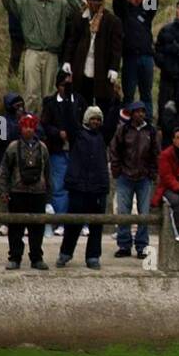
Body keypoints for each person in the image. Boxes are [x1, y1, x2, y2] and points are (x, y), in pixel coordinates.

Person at [2, 0, 67, 114]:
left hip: (52, 54)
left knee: (49, 94)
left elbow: (76, 13)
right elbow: (10, 5)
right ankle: (29, 123)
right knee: (31, 92)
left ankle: (46, 123)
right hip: (32, 51)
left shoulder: (61, 3)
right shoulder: (27, 1)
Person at [58, 105, 110, 269]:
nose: (95, 122)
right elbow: (68, 118)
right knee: (73, 223)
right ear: (87, 119)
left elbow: (113, 121)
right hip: (78, 187)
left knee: (96, 225)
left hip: (98, 188)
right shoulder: (77, 135)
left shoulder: (103, 136)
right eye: (92, 118)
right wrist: (67, 99)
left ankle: (93, 256)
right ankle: (65, 253)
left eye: (98, 119)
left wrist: (115, 101)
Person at [0, 113, 51, 270]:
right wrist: (3, 191)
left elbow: (47, 172)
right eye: (25, 126)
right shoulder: (13, 147)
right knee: (15, 228)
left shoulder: (43, 148)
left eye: (31, 126)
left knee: (37, 229)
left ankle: (36, 258)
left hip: (38, 193)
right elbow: (4, 171)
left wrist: (48, 194)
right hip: (17, 192)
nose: (28, 130)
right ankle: (14, 257)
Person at [62, 0, 122, 120]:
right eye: (91, 0)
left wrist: (114, 67)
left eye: (98, 0)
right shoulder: (80, 17)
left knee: (101, 102)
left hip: (101, 66)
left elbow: (116, 48)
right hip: (81, 66)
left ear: (102, 2)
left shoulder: (112, 21)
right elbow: (72, 40)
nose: (94, 3)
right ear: (87, 1)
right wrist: (67, 60)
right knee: (81, 100)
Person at [110, 101, 159, 259]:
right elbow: (114, 150)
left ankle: (142, 245)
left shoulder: (151, 131)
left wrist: (152, 173)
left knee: (143, 213)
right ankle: (124, 244)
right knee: (123, 212)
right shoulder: (123, 130)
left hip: (144, 178)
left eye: (142, 112)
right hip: (125, 176)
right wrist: (117, 170)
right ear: (131, 113)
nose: (140, 114)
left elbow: (156, 154)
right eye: (137, 112)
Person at [113, 0, 159, 116]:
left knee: (146, 94)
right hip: (130, 57)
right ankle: (126, 123)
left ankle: (148, 123)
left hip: (146, 57)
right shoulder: (123, 11)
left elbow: (154, 2)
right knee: (129, 95)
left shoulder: (147, 12)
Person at [40, 71, 83, 228]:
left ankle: (74, 222)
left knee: (76, 187)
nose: (67, 88)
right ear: (58, 86)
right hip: (57, 150)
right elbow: (44, 124)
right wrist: (58, 133)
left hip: (75, 151)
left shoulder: (78, 100)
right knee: (58, 187)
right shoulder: (50, 102)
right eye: (65, 85)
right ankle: (60, 222)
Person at [4, 0, 37, 76]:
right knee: (15, 56)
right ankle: (12, 81)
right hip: (15, 26)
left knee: (29, 58)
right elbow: (9, 2)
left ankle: (26, 80)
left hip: (30, 27)